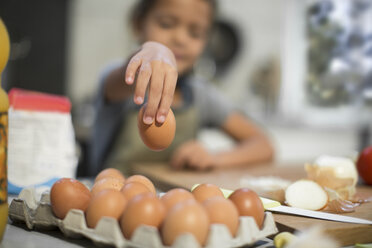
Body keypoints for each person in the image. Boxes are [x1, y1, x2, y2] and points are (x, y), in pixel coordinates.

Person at [89, 0, 274, 176]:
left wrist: (214, 158)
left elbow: (263, 145)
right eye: (166, 24)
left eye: (194, 33)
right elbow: (122, 77)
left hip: (174, 204)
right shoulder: (125, 79)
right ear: (138, 24)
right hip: (114, 199)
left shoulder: (200, 94)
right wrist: (151, 52)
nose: (180, 39)